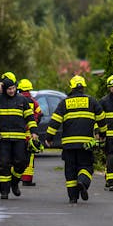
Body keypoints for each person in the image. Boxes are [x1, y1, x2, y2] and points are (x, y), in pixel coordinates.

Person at [44, 75, 104, 204]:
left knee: (70, 169)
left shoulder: (64, 103)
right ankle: (82, 181)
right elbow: (102, 119)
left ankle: (72, 197)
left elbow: (55, 121)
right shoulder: (92, 101)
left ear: (71, 88)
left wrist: (49, 138)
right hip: (85, 144)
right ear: (83, 88)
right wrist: (103, 134)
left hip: (69, 145)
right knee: (86, 166)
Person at [0, 73, 37, 199]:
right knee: (4, 165)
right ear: (4, 88)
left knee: (22, 163)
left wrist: (34, 132)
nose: (12, 91)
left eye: (13, 88)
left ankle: (14, 183)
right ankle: (4, 192)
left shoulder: (22, 100)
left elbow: (30, 118)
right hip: (3, 139)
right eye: (9, 89)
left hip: (19, 138)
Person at [18, 78, 43, 186]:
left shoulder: (16, 100)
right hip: (30, 133)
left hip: (18, 133)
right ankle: (27, 179)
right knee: (30, 156)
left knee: (18, 155)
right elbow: (40, 113)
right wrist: (35, 124)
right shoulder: (33, 102)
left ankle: (16, 176)